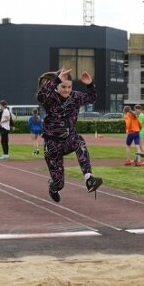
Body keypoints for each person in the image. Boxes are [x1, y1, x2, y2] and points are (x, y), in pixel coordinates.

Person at [37, 69, 103, 202]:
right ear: (56, 86)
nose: (66, 90)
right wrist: (56, 79)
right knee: (59, 184)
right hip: (52, 145)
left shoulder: (75, 97)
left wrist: (89, 85)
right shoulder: (50, 98)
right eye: (63, 87)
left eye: (69, 87)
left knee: (79, 141)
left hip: (69, 140)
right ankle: (53, 186)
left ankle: (89, 178)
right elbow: (41, 96)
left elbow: (92, 98)